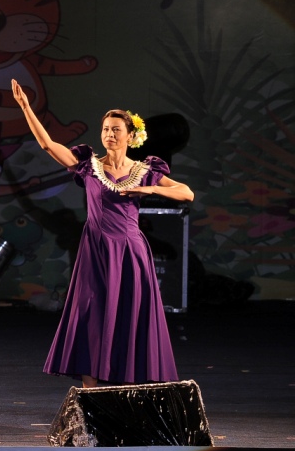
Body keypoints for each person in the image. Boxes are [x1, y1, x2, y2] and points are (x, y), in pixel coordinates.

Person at [10, 80, 194, 388]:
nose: (109, 134)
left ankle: (128, 388)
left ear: (130, 136)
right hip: (96, 249)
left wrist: (149, 189)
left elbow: (187, 193)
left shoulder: (144, 170)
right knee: (91, 313)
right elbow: (48, 145)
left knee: (130, 315)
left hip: (131, 251)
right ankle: (91, 393)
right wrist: (27, 108)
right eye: (106, 129)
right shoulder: (89, 165)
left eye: (116, 130)